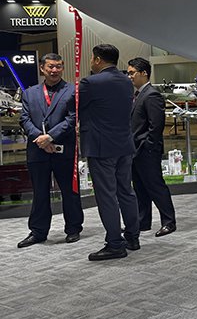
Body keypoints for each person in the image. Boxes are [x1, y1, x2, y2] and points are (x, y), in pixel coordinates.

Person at [79, 43, 139, 261]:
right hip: (124, 145)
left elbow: (73, 106)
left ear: (97, 59)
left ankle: (115, 244)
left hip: (101, 147)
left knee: (106, 196)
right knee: (126, 191)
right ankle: (132, 237)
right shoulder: (126, 81)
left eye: (92, 58)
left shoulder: (90, 82)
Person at [16, 53, 83, 248]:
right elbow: (24, 119)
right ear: (42, 68)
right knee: (40, 193)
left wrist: (50, 137)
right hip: (37, 150)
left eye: (58, 66)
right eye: (50, 67)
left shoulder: (72, 91)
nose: (54, 70)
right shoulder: (29, 93)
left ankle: (73, 229)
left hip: (64, 150)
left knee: (70, 191)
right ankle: (38, 232)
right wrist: (41, 139)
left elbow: (73, 118)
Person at [128, 57, 177, 237]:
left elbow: (156, 126)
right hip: (135, 150)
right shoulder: (137, 95)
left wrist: (147, 146)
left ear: (144, 73)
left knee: (155, 186)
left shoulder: (151, 95)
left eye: (132, 73)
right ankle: (143, 221)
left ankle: (169, 221)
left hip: (147, 151)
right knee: (140, 187)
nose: (129, 76)